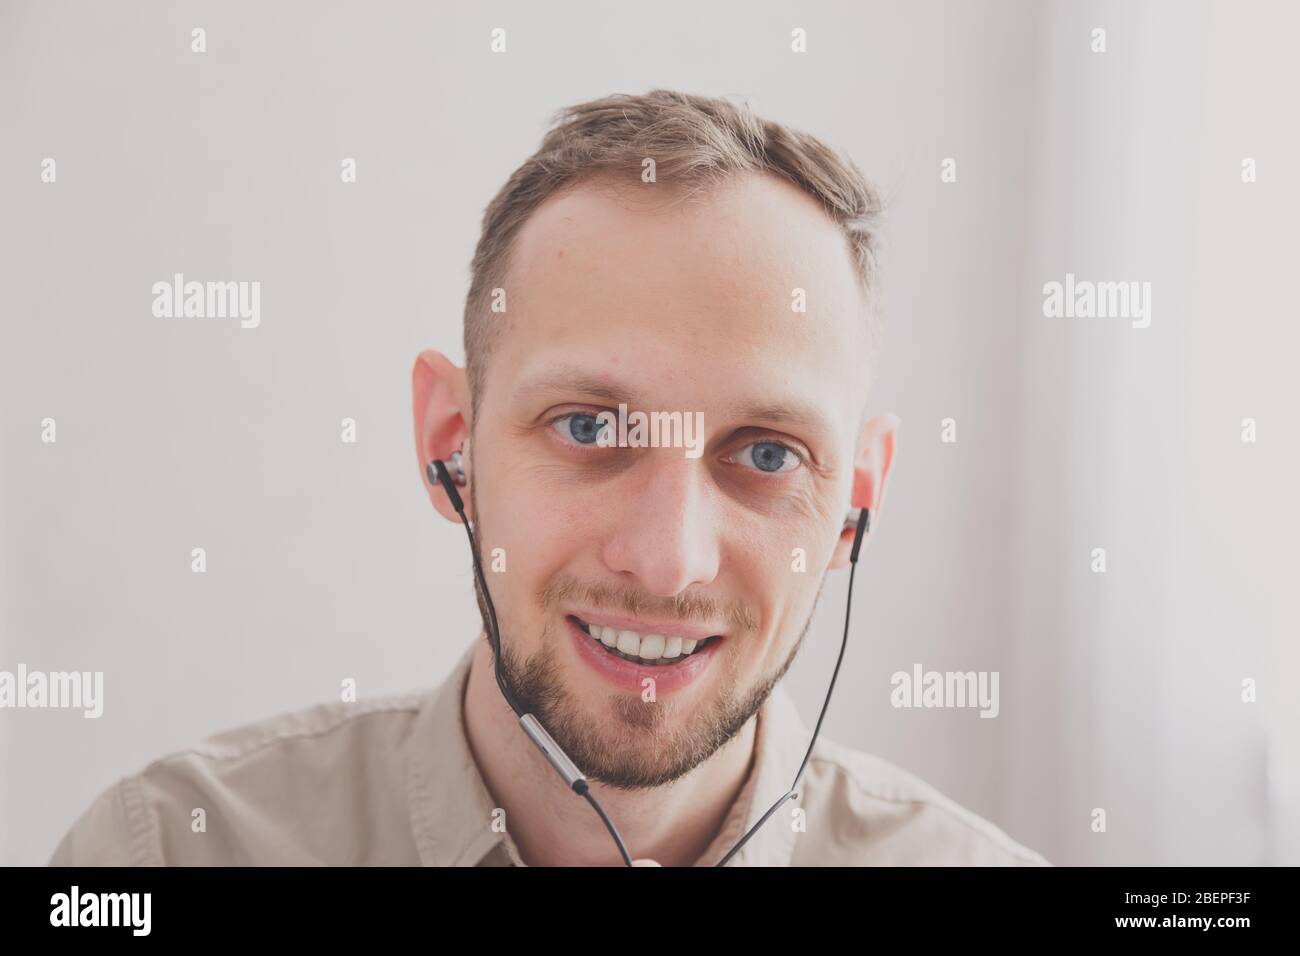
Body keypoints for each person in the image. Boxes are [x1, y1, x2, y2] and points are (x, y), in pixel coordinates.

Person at [50, 90, 1047, 867]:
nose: (665, 561)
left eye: (767, 452)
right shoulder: (168, 851)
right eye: (587, 426)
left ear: (854, 504)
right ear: (452, 441)